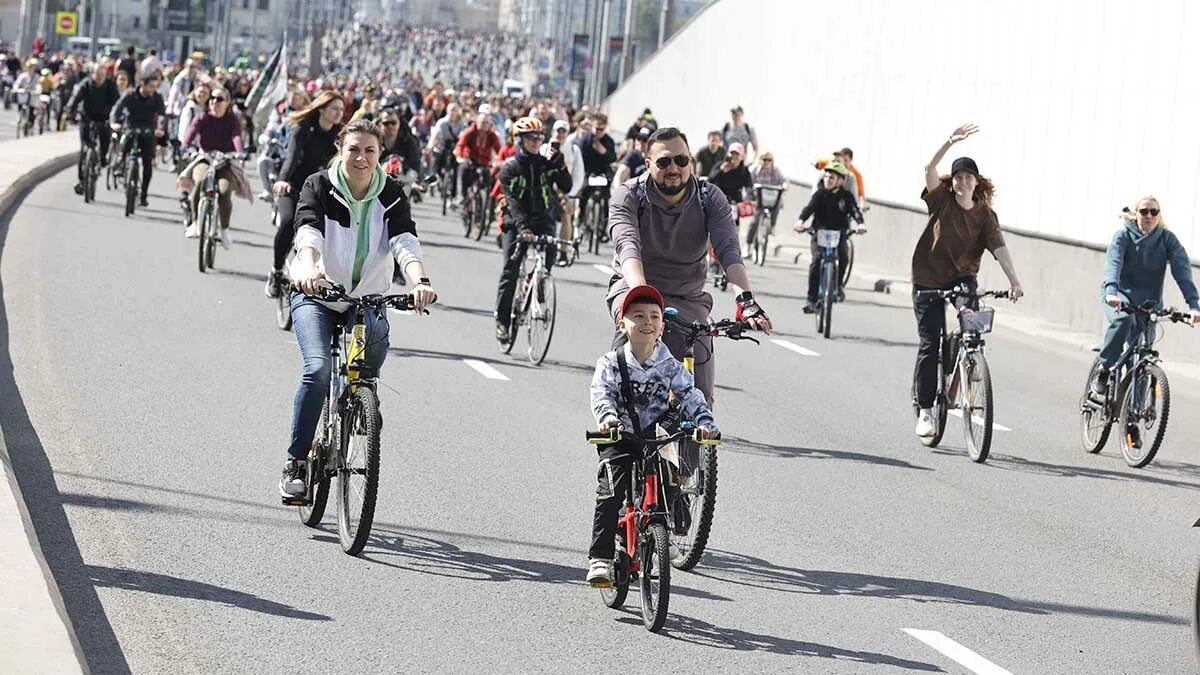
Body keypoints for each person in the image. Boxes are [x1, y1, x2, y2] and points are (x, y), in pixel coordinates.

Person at [279, 118, 438, 500]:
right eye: (354, 149)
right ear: (340, 149)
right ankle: (296, 463)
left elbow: (404, 242)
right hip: (315, 292)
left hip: (367, 297)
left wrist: (420, 282)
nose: (362, 158)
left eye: (370, 150)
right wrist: (311, 266)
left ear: (380, 153)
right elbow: (308, 229)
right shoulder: (318, 184)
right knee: (317, 370)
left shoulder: (392, 192)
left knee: (369, 358)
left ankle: (362, 399)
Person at [606, 127, 772, 406]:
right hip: (636, 288)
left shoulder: (709, 198)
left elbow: (728, 250)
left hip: (688, 297)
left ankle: (695, 440)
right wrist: (642, 296)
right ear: (648, 165)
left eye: (681, 161)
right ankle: (621, 428)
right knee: (635, 332)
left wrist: (745, 299)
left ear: (691, 162)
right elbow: (628, 247)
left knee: (700, 398)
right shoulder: (630, 196)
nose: (674, 168)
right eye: (664, 162)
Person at [585, 284, 718, 587]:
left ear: (662, 325)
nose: (646, 322)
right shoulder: (611, 363)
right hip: (620, 436)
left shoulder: (669, 364)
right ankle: (601, 558)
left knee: (671, 478)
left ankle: (664, 532)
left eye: (654, 316)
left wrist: (704, 421)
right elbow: (601, 394)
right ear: (623, 324)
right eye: (638, 316)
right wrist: (607, 420)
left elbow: (690, 393)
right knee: (610, 493)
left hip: (656, 437)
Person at [912, 124, 1023, 438]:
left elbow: (999, 248)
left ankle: (963, 366)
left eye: (968, 177)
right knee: (930, 343)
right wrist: (948, 141)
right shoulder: (941, 201)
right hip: (928, 279)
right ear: (953, 182)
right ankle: (926, 410)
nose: (962, 182)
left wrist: (1014, 280)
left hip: (963, 278)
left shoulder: (985, 215)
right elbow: (929, 167)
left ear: (977, 183)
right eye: (958, 177)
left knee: (971, 333)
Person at [1091, 197, 1200, 400]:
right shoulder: (1123, 235)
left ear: (1159, 215)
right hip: (1119, 297)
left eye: (1153, 212)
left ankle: (1133, 417)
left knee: (1144, 356)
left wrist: (1194, 305)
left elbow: (1182, 272)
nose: (1149, 216)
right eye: (1144, 211)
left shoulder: (1167, 239)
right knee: (1123, 320)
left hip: (1148, 305)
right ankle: (1104, 369)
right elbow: (1113, 265)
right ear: (1135, 213)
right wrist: (1112, 292)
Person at [493, 117, 571, 342]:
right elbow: (512, 202)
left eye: (539, 137)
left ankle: (535, 281)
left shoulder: (546, 163)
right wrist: (523, 228)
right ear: (519, 140)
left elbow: (566, 186)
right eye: (530, 138)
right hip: (515, 221)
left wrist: (561, 164)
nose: (536, 141)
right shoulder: (510, 168)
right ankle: (503, 321)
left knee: (548, 259)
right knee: (511, 268)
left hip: (543, 219)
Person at [266, 91, 345, 298]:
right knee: (289, 221)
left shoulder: (340, 135)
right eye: (334, 108)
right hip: (293, 185)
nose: (339, 113)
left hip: (322, 190)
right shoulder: (303, 129)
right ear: (321, 109)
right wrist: (283, 180)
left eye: (341, 110)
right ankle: (276, 272)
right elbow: (291, 158)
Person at [793, 162, 864, 310]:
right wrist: (800, 222)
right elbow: (809, 209)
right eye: (826, 177)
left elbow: (854, 211)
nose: (827, 180)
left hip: (839, 233)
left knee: (844, 256)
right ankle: (811, 299)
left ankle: (837, 286)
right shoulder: (820, 194)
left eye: (831, 178)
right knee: (816, 261)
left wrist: (860, 224)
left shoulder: (847, 196)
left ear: (840, 181)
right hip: (819, 233)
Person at [180, 86, 247, 242]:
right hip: (205, 157)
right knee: (201, 181)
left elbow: (237, 137)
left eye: (219, 99)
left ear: (227, 103)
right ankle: (196, 223)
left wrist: (240, 152)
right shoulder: (202, 117)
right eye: (212, 99)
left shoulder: (232, 120)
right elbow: (191, 132)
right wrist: (185, 146)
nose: (215, 102)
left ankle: (224, 229)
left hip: (225, 160)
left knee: (224, 192)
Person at [109, 72, 166, 207]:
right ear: (142, 85)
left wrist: (160, 128)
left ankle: (144, 195)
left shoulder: (157, 97)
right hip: (131, 127)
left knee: (147, 163)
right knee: (125, 146)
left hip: (148, 131)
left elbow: (162, 115)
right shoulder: (130, 95)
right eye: (150, 86)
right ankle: (120, 164)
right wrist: (114, 122)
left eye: (154, 87)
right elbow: (117, 109)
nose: (153, 89)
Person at [67, 63, 119, 195]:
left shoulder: (110, 86)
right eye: (97, 75)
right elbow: (75, 99)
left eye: (102, 75)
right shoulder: (86, 84)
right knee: (84, 149)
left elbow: (117, 103)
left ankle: (101, 160)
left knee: (104, 143)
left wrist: (116, 117)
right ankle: (82, 180)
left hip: (103, 119)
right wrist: (70, 112)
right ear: (93, 74)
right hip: (87, 118)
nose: (100, 78)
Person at [453, 112, 502, 208]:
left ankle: (490, 205)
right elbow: (460, 145)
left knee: (491, 178)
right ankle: (461, 196)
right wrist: (460, 158)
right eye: (482, 122)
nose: (484, 125)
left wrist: (499, 161)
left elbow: (499, 150)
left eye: (487, 123)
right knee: (462, 170)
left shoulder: (492, 135)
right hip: (470, 160)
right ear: (477, 122)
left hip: (485, 163)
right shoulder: (470, 132)